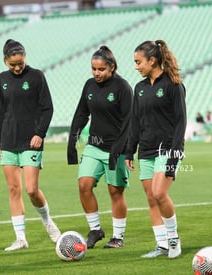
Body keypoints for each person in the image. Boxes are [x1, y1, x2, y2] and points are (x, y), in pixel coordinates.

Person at [0, 39, 61, 252]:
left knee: (31, 189)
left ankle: (48, 221)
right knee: (13, 189)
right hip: (8, 140)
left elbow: (47, 108)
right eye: (13, 64)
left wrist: (40, 133)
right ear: (5, 60)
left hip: (30, 141)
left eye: (20, 63)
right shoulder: (2, 79)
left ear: (25, 58)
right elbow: (0, 111)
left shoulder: (36, 76)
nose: (17, 67)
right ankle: (20, 238)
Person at [125, 40, 187, 259]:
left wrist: (175, 155)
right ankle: (160, 245)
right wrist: (129, 150)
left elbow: (181, 122)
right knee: (151, 198)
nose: (136, 66)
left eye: (138, 62)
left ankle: (173, 241)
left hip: (168, 149)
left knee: (160, 193)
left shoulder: (173, 84)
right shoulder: (139, 88)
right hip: (146, 150)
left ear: (152, 60)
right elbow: (135, 121)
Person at [67, 46, 133, 249]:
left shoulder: (122, 87)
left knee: (115, 192)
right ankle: (95, 229)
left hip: (117, 148)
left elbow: (129, 121)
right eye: (94, 69)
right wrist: (73, 140)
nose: (96, 73)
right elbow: (81, 114)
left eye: (101, 69)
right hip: (94, 147)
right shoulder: (89, 85)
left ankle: (118, 237)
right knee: (83, 185)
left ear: (112, 67)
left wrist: (121, 149)